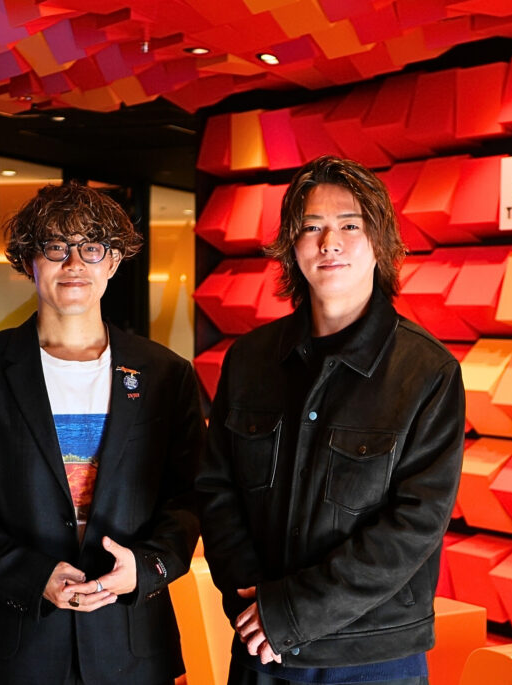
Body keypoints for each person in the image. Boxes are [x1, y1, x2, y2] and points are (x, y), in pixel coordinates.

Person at [0, 183, 204, 685]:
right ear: (29, 261)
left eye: (92, 247)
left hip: (131, 639)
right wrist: (31, 575)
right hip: (12, 640)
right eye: (55, 247)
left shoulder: (165, 374)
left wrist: (147, 567)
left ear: (113, 262)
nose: (74, 263)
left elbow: (192, 494)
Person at [196, 156, 465, 685]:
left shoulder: (427, 372)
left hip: (371, 659)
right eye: (311, 227)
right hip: (259, 643)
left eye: (349, 226)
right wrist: (256, 604)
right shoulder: (249, 360)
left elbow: (413, 526)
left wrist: (292, 612)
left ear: (380, 244)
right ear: (291, 246)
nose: (329, 243)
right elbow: (217, 489)